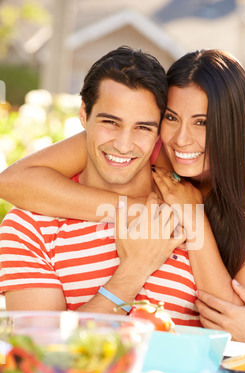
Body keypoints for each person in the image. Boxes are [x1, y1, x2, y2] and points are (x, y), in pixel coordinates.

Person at [0, 48, 245, 346]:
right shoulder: (150, 145)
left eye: (202, 122)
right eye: (172, 118)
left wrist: (193, 218)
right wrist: (136, 218)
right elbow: (43, 356)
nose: (183, 139)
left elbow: (239, 328)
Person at [0, 47, 194, 322]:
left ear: (159, 131)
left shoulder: (186, 207)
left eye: (143, 127)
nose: (124, 145)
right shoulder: (29, 227)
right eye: (110, 122)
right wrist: (132, 273)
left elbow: (235, 334)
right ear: (83, 115)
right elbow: (45, 354)